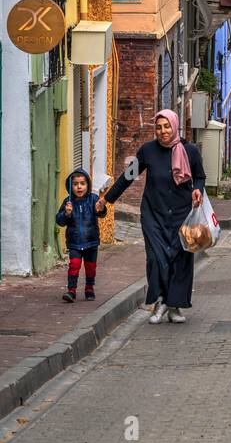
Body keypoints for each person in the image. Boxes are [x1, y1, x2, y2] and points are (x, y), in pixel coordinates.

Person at [104, 110, 205, 325]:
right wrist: (107, 199)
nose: (163, 131)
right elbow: (128, 177)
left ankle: (175, 306)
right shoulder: (147, 151)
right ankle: (159, 301)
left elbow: (199, 176)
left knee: (180, 260)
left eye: (167, 126)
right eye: (158, 127)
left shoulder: (190, 151)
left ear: (175, 126)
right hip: (153, 214)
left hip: (182, 215)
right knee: (156, 258)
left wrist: (197, 189)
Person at [55, 168, 107, 302]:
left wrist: (100, 209)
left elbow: (101, 214)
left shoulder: (93, 199)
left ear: (87, 185)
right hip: (74, 242)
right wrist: (67, 213)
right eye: (75, 184)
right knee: (74, 265)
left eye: (82, 183)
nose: (79, 187)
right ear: (70, 186)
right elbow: (60, 221)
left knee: (90, 267)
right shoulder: (68, 202)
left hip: (91, 241)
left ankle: (89, 288)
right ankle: (71, 291)